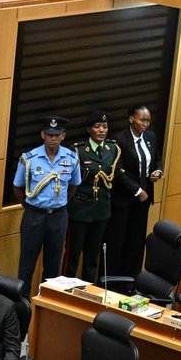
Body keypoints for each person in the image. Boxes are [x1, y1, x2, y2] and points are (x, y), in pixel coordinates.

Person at [13, 116, 80, 292]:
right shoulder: (29, 158)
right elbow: (18, 188)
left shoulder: (72, 158)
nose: (53, 138)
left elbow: (73, 186)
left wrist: (59, 204)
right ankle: (22, 305)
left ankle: (46, 303)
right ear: (43, 134)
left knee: (53, 265)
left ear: (63, 136)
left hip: (58, 216)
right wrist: (31, 208)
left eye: (57, 135)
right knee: (27, 264)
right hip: (34, 214)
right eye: (49, 134)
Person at [107, 105, 164, 280]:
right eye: (142, 120)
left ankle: (132, 280)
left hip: (143, 200)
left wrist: (158, 172)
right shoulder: (119, 139)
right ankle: (113, 281)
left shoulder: (151, 137)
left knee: (136, 241)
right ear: (131, 119)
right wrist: (137, 190)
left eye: (148, 121)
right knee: (117, 241)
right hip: (123, 199)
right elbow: (118, 170)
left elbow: (157, 159)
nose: (145, 124)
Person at [65, 111, 120, 283]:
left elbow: (115, 174)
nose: (102, 130)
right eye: (97, 127)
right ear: (89, 130)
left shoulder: (113, 149)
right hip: (80, 209)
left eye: (105, 126)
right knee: (72, 254)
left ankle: (89, 291)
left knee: (92, 256)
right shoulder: (78, 150)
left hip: (101, 210)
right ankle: (65, 290)